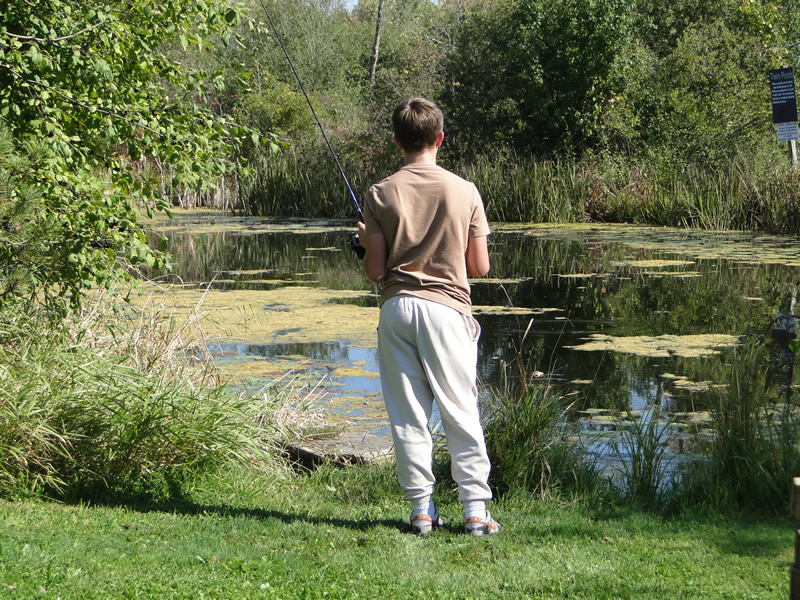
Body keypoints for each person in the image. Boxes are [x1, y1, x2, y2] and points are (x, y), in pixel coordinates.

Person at [356, 97, 500, 537]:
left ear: (397, 141)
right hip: (447, 310)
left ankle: (422, 510)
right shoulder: (465, 190)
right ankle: (474, 510)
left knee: (407, 415)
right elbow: (480, 267)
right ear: (439, 138)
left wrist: (364, 243)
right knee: (460, 409)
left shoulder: (380, 192)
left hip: (397, 310)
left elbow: (376, 271)